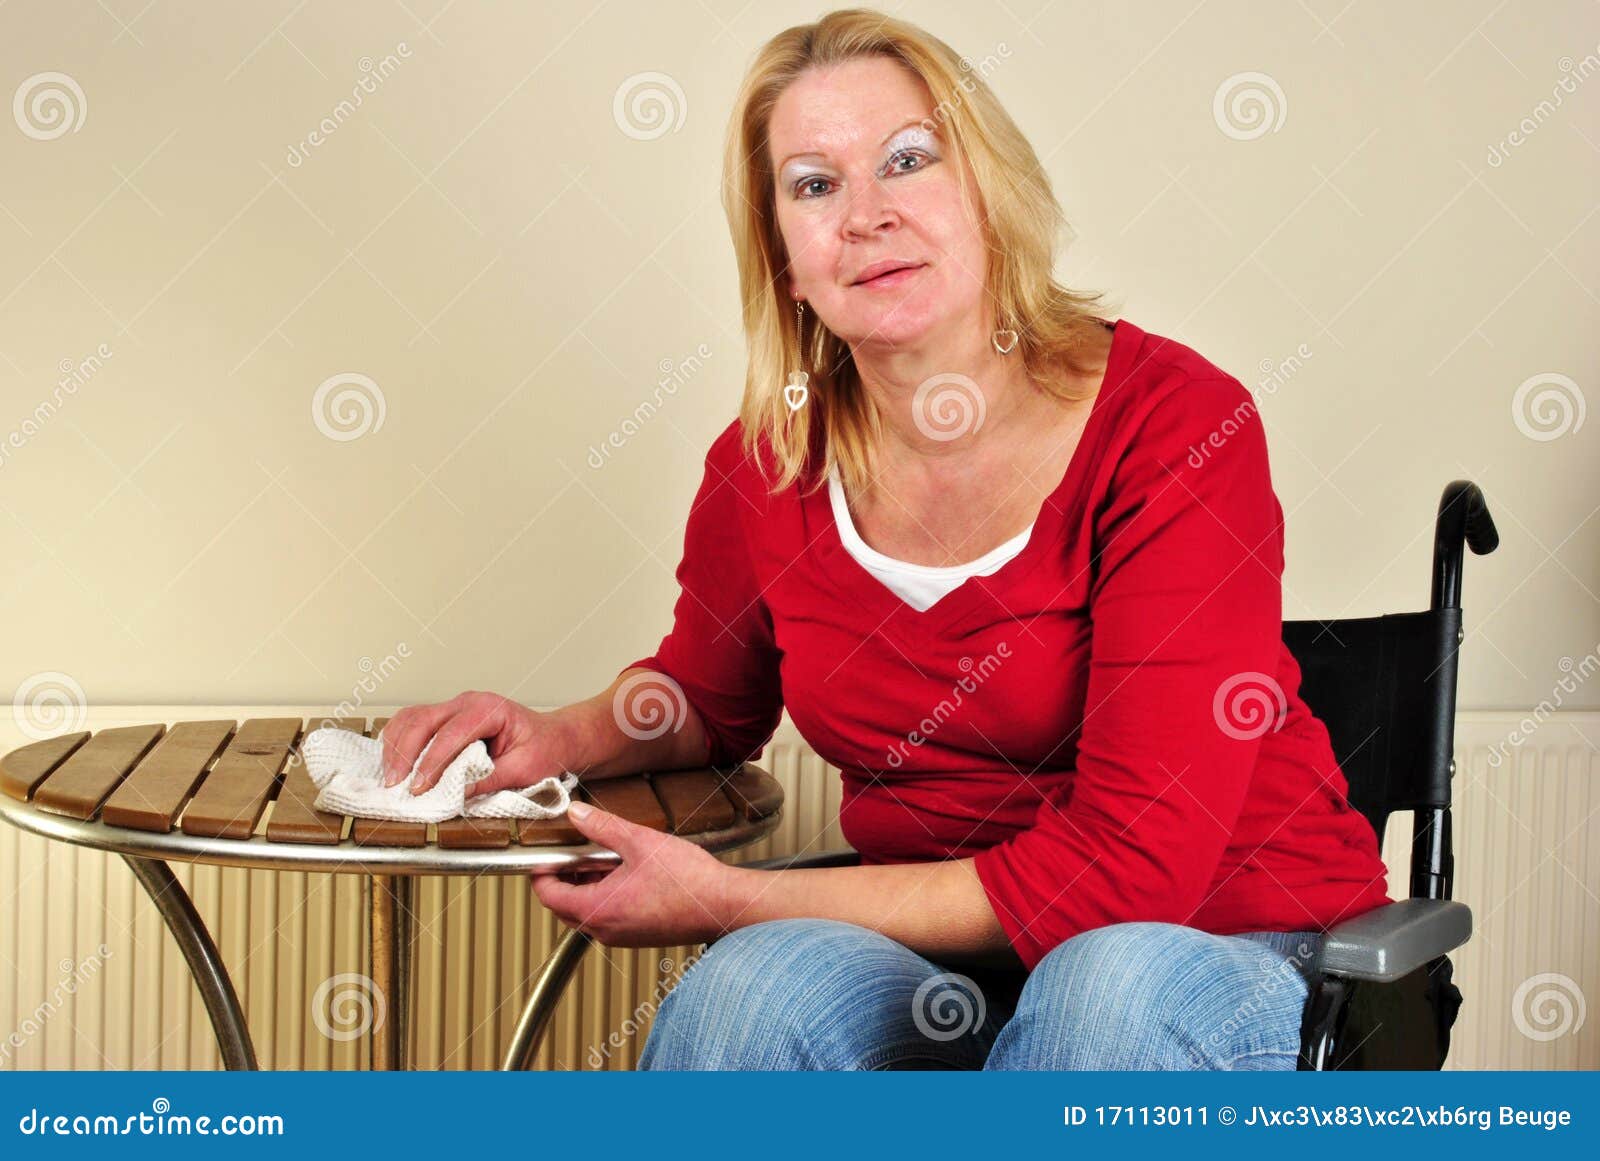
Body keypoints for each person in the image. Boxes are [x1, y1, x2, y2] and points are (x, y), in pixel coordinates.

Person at [379, 8, 1392, 1070]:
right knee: (749, 995)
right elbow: (707, 699)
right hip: (944, 965)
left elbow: (1131, 875)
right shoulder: (766, 460)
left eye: (906, 162)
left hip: (1227, 949)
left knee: (1104, 991)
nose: (865, 215)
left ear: (988, 193)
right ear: (786, 259)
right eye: (814, 185)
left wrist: (732, 896)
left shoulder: (1174, 424)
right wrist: (562, 736)